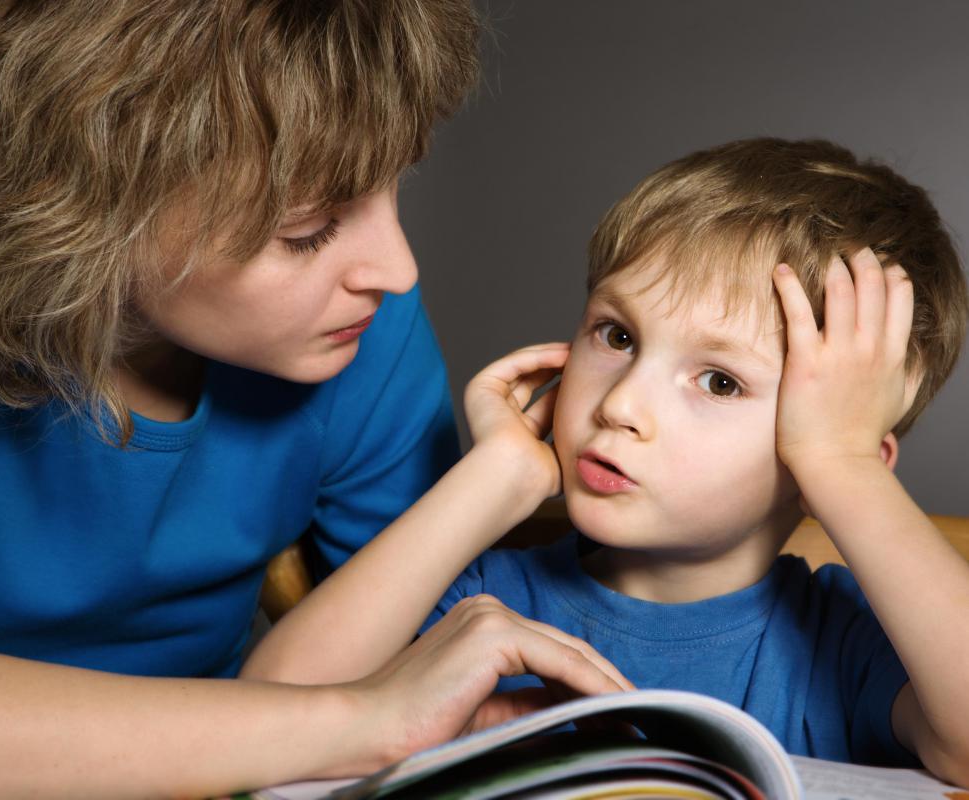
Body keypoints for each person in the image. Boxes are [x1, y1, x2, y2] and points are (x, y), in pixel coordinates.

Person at [0, 2, 633, 796]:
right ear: (80, 203)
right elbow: (371, 712)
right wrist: (357, 725)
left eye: (394, 186)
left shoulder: (362, 339)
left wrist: (500, 479)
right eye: (308, 230)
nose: (397, 271)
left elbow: (423, 651)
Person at [251, 138, 969, 787]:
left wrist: (841, 464)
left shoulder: (843, 641)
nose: (620, 403)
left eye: (719, 381)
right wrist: (495, 478)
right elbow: (266, 718)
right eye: (617, 335)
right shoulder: (481, 605)